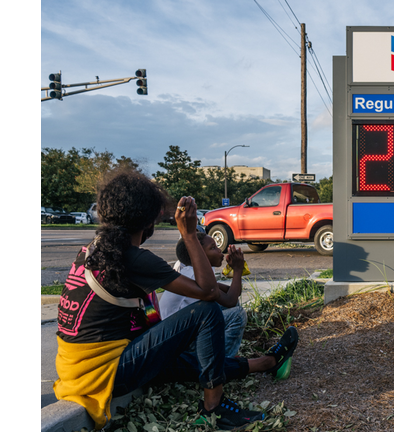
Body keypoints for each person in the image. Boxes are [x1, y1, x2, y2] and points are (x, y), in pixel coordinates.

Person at [52, 168, 298, 431]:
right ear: (148, 220)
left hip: (77, 369)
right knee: (204, 312)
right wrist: (189, 234)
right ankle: (213, 408)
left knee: (189, 360)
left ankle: (267, 363)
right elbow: (210, 294)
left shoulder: (95, 250)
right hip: (106, 372)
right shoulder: (132, 257)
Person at [159, 233, 248, 357]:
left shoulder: (196, 272)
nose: (219, 251)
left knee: (230, 308)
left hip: (184, 331)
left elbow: (232, 293)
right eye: (213, 248)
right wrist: (238, 270)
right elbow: (230, 300)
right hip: (178, 344)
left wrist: (236, 268)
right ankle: (223, 363)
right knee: (237, 315)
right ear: (197, 255)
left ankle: (223, 351)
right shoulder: (192, 275)